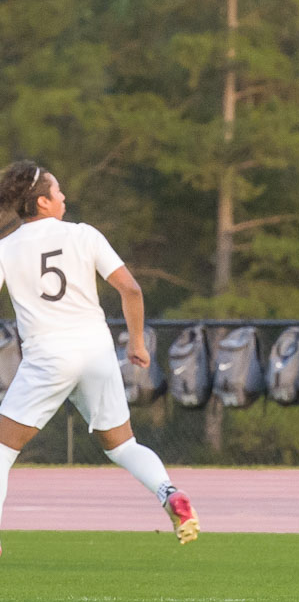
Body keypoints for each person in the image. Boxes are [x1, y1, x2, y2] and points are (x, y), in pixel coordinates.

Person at [0, 161, 199, 555]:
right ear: (42, 201)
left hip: (48, 355)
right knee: (122, 446)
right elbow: (132, 290)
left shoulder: (6, 248)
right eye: (58, 192)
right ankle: (169, 492)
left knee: (3, 450)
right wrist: (137, 343)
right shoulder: (84, 235)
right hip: (96, 352)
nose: (64, 197)